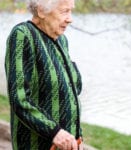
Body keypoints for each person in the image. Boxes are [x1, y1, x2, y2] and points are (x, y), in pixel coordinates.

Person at [5, 0, 83, 149]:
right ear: (41, 10)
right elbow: (19, 99)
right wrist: (55, 132)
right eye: (64, 11)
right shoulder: (23, 35)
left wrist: (77, 136)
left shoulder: (61, 40)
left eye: (71, 11)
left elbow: (74, 91)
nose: (70, 19)